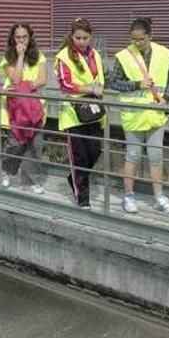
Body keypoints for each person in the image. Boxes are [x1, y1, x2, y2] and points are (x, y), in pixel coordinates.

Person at [108, 17, 169, 214]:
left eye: (140, 39)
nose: (137, 43)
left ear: (149, 36)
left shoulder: (163, 54)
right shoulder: (123, 56)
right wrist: (137, 84)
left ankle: (159, 196)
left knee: (156, 155)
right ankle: (128, 196)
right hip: (134, 114)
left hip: (155, 113)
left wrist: (166, 98)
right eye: (133, 39)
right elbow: (113, 82)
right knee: (133, 154)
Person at [55, 18, 105, 209]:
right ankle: (82, 197)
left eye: (85, 38)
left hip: (93, 110)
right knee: (79, 156)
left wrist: (97, 89)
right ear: (71, 36)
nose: (82, 41)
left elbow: (100, 77)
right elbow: (65, 84)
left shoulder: (95, 54)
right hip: (74, 113)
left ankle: (74, 178)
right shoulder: (64, 56)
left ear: (90, 37)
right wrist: (90, 89)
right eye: (78, 38)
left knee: (95, 151)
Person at [0, 22, 48, 194]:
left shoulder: (39, 56)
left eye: (24, 37)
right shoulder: (8, 58)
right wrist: (20, 56)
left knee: (34, 145)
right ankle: (7, 170)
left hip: (35, 109)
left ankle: (30, 180)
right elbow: (16, 79)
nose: (21, 40)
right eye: (18, 37)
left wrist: (26, 87)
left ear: (30, 38)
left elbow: (43, 79)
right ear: (13, 39)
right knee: (16, 144)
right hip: (16, 109)